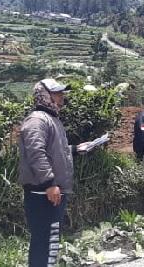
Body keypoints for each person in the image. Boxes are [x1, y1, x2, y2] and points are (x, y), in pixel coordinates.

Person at [18, 79, 92, 267]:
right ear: (44, 95)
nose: (62, 96)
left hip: (50, 191)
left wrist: (75, 149)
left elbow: (55, 150)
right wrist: (49, 184)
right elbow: (36, 153)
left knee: (50, 240)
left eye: (62, 93)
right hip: (42, 192)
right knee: (43, 241)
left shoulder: (52, 119)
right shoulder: (37, 120)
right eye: (57, 93)